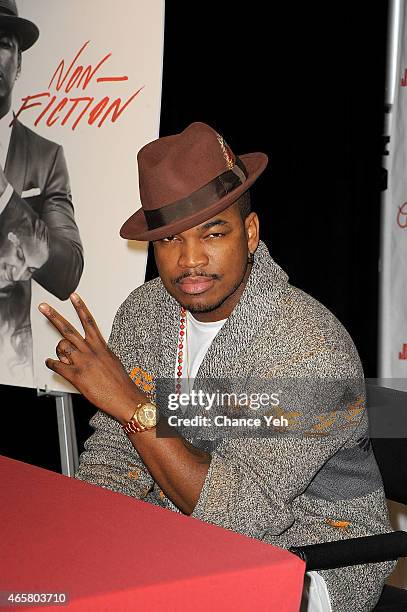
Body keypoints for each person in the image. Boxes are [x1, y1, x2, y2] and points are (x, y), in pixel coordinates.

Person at [39, 122, 394, 611]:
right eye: (170, 241)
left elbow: (238, 514)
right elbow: (115, 458)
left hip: (312, 553)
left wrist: (132, 406)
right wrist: (90, 539)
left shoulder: (309, 351)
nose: (189, 261)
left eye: (213, 232)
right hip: (178, 532)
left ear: (249, 234)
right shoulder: (145, 313)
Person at [0, 0, 83, 382]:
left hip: (6, 366)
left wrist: (5, 197)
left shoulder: (45, 157)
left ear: (19, 64)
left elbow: (67, 273)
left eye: (3, 43)